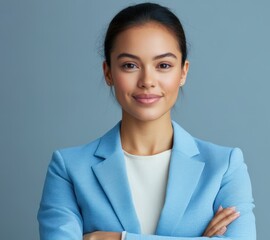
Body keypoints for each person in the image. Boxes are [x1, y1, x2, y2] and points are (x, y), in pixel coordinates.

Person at [37, 2, 256, 240]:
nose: (147, 81)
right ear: (108, 72)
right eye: (130, 65)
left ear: (183, 72)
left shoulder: (224, 166)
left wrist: (116, 238)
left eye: (163, 65)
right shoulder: (69, 168)